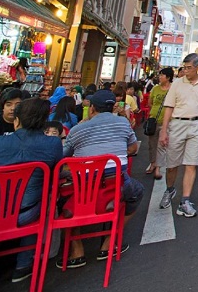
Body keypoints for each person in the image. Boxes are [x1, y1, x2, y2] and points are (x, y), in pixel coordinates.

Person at [60, 90, 143, 268]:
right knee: (137, 192)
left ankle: (77, 248)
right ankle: (109, 241)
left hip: (83, 189)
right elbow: (134, 148)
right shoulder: (122, 123)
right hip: (116, 186)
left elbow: (63, 157)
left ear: (91, 108)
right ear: (113, 106)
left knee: (64, 201)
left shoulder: (77, 130)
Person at [0, 97, 63, 283]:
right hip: (28, 212)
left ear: (16, 120)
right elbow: (58, 172)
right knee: (44, 201)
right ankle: (24, 264)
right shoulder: (52, 144)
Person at [158, 53, 198, 218]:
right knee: (172, 163)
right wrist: (164, 130)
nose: (185, 70)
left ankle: (185, 200)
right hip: (178, 123)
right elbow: (169, 106)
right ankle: (170, 189)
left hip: (197, 124)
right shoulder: (177, 84)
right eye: (184, 67)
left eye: (189, 67)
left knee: (192, 163)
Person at [146, 67, 174, 179]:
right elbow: (150, 102)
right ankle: (153, 163)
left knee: (161, 145)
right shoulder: (155, 89)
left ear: (168, 77)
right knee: (152, 144)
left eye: (162, 75)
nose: (160, 77)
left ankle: (158, 167)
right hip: (153, 120)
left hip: (167, 121)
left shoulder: (173, 89)